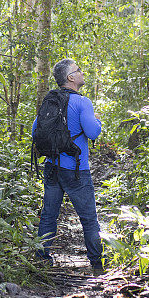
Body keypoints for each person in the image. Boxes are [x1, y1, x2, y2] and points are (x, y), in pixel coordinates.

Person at [32, 58, 104, 276]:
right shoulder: (83, 102)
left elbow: (36, 130)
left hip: (52, 167)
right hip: (76, 170)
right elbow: (93, 133)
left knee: (48, 215)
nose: (82, 73)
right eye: (78, 70)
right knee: (89, 218)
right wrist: (98, 121)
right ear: (70, 78)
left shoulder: (50, 101)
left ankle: (41, 261)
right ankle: (97, 266)